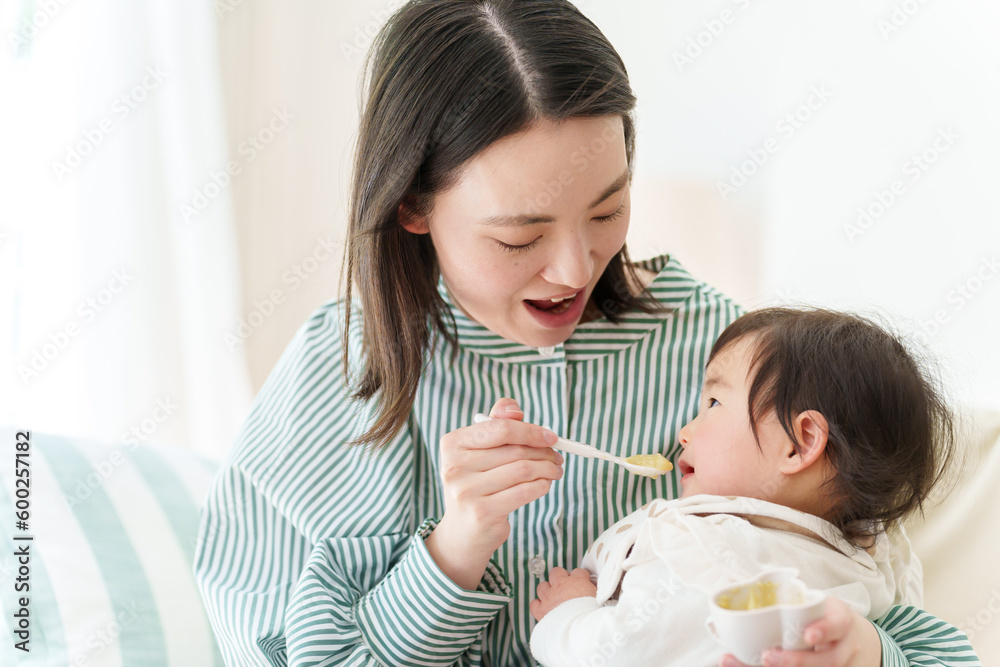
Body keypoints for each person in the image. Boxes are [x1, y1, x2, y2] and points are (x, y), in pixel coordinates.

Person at [193, 1, 979, 665]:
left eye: (607, 210)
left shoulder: (722, 357)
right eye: (518, 237)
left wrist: (858, 649)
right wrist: (454, 549)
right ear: (412, 207)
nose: (574, 268)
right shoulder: (339, 379)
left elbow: (873, 594)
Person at [528, 307, 956, 666]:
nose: (684, 431)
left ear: (799, 443)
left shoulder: (706, 553)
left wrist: (567, 613)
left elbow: (609, 655)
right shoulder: (883, 556)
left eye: (714, 403)